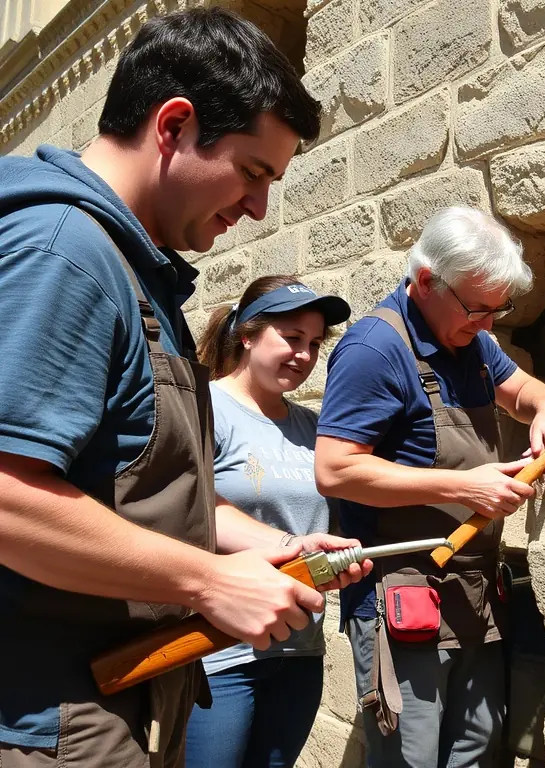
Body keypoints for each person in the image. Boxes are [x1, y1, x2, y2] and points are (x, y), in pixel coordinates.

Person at [0, 9, 370, 768]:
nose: (259, 207)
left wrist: (276, 548)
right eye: (254, 172)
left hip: (112, 706)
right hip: (45, 722)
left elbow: (139, 489)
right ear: (173, 125)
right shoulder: (64, 251)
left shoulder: (136, 269)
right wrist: (206, 581)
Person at [314, 206, 545, 768]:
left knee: (475, 750)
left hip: (474, 597)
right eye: (477, 308)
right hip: (402, 599)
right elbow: (334, 469)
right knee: (410, 757)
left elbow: (521, 387)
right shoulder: (374, 350)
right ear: (426, 280)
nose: (488, 325)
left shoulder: (472, 341)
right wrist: (465, 487)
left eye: (498, 309)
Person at [186, 275, 352, 768]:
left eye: (314, 344)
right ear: (247, 334)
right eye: (291, 337)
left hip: (300, 650)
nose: (303, 354)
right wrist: (291, 545)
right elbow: (186, 511)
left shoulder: (315, 429)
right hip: (218, 650)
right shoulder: (203, 408)